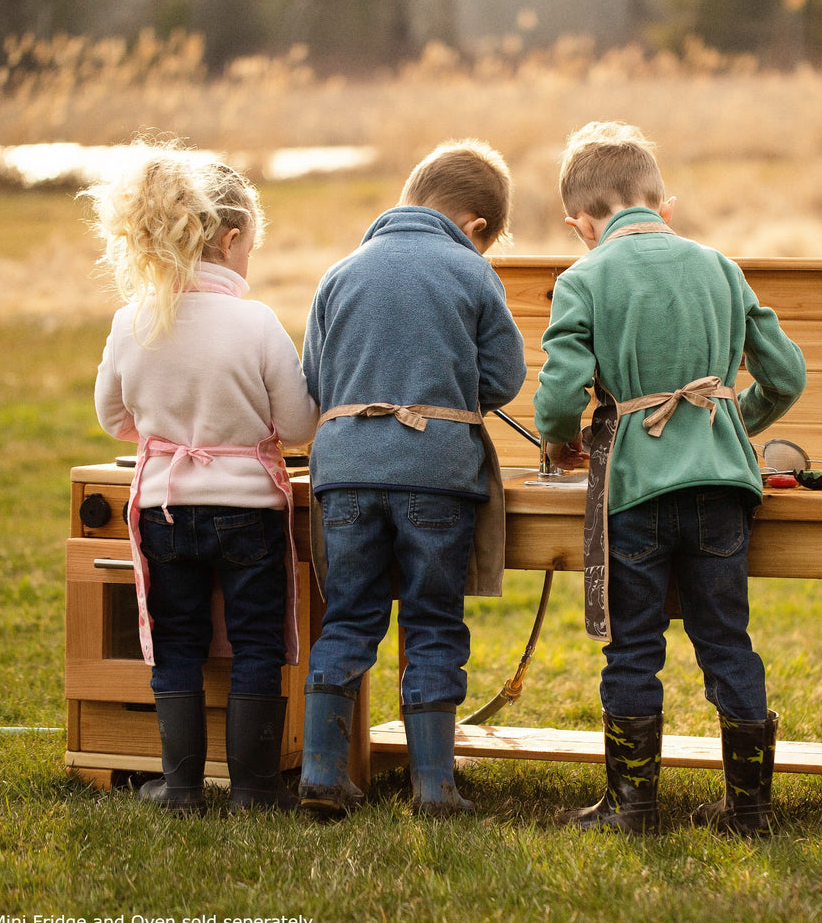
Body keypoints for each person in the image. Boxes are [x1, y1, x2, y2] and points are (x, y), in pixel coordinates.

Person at [532, 121, 807, 835]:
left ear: (580, 224)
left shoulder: (583, 277)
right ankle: (750, 811)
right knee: (726, 642)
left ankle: (633, 807)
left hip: (636, 491)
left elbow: (560, 395)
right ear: (664, 206)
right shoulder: (719, 266)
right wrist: (731, 423)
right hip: (721, 489)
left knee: (633, 646)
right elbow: (786, 373)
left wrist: (562, 442)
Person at [299, 139, 526, 819]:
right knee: (431, 619)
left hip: (344, 472)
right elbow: (504, 379)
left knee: (348, 615)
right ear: (476, 227)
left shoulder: (339, 273)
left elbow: (314, 379)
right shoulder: (470, 271)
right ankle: (433, 786)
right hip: (435, 473)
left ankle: (320, 773)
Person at [90, 143, 319, 816]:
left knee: (175, 643)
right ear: (231, 237)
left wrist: (171, 436)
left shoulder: (131, 321)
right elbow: (299, 422)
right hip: (248, 511)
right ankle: (253, 790)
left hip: (164, 508)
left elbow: (111, 416)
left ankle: (182, 788)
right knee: (256, 641)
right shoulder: (254, 322)